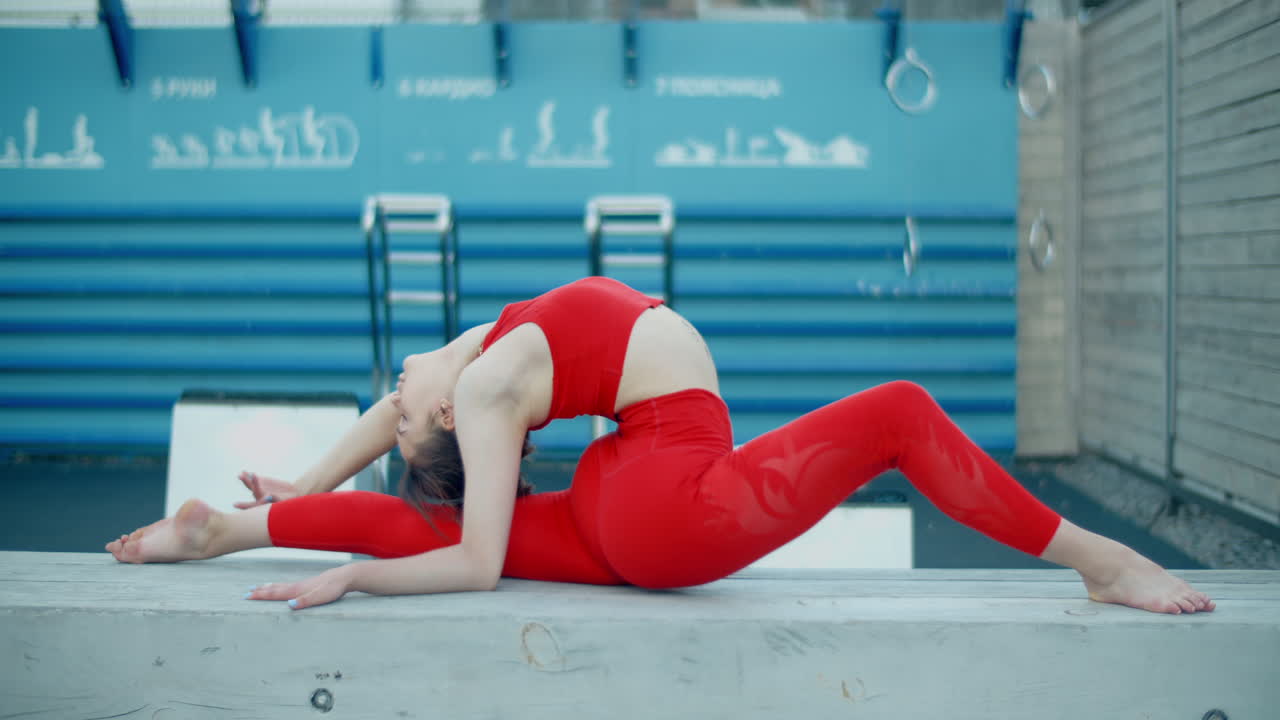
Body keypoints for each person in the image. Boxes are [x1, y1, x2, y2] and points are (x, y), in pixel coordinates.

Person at [107, 276, 1214, 615]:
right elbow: (474, 560)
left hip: (621, 506)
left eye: (393, 407)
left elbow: (387, 435)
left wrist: (293, 491)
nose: (388, 399)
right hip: (669, 509)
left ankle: (215, 536)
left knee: (420, 513)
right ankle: (1099, 562)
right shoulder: (483, 386)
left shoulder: (466, 357)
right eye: (400, 413)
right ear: (442, 422)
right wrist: (347, 576)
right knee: (899, 412)